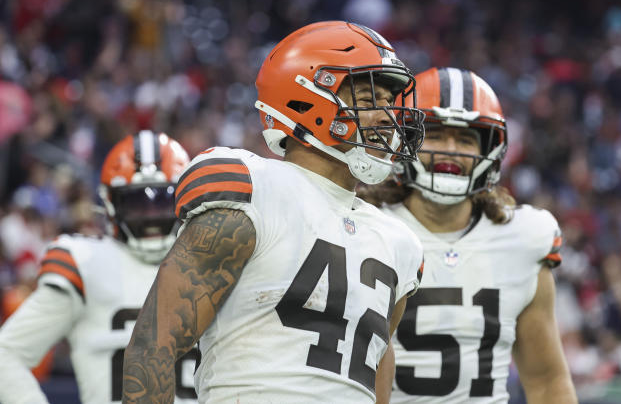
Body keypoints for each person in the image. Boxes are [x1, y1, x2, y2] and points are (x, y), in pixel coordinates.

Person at [122, 21, 426, 404]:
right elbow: (154, 346)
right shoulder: (254, 187)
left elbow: (375, 369)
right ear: (305, 98)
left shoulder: (400, 243)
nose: (386, 115)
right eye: (367, 98)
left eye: (387, 101)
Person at [362, 67, 578, 403]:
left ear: (489, 151)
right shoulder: (366, 228)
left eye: (465, 139)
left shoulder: (524, 238)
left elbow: (547, 382)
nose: (450, 149)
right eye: (435, 134)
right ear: (404, 140)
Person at [0, 131, 198, 404]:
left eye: (162, 203)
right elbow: (6, 354)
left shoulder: (214, 260)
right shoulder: (86, 263)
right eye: (138, 204)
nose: (151, 218)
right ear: (109, 205)